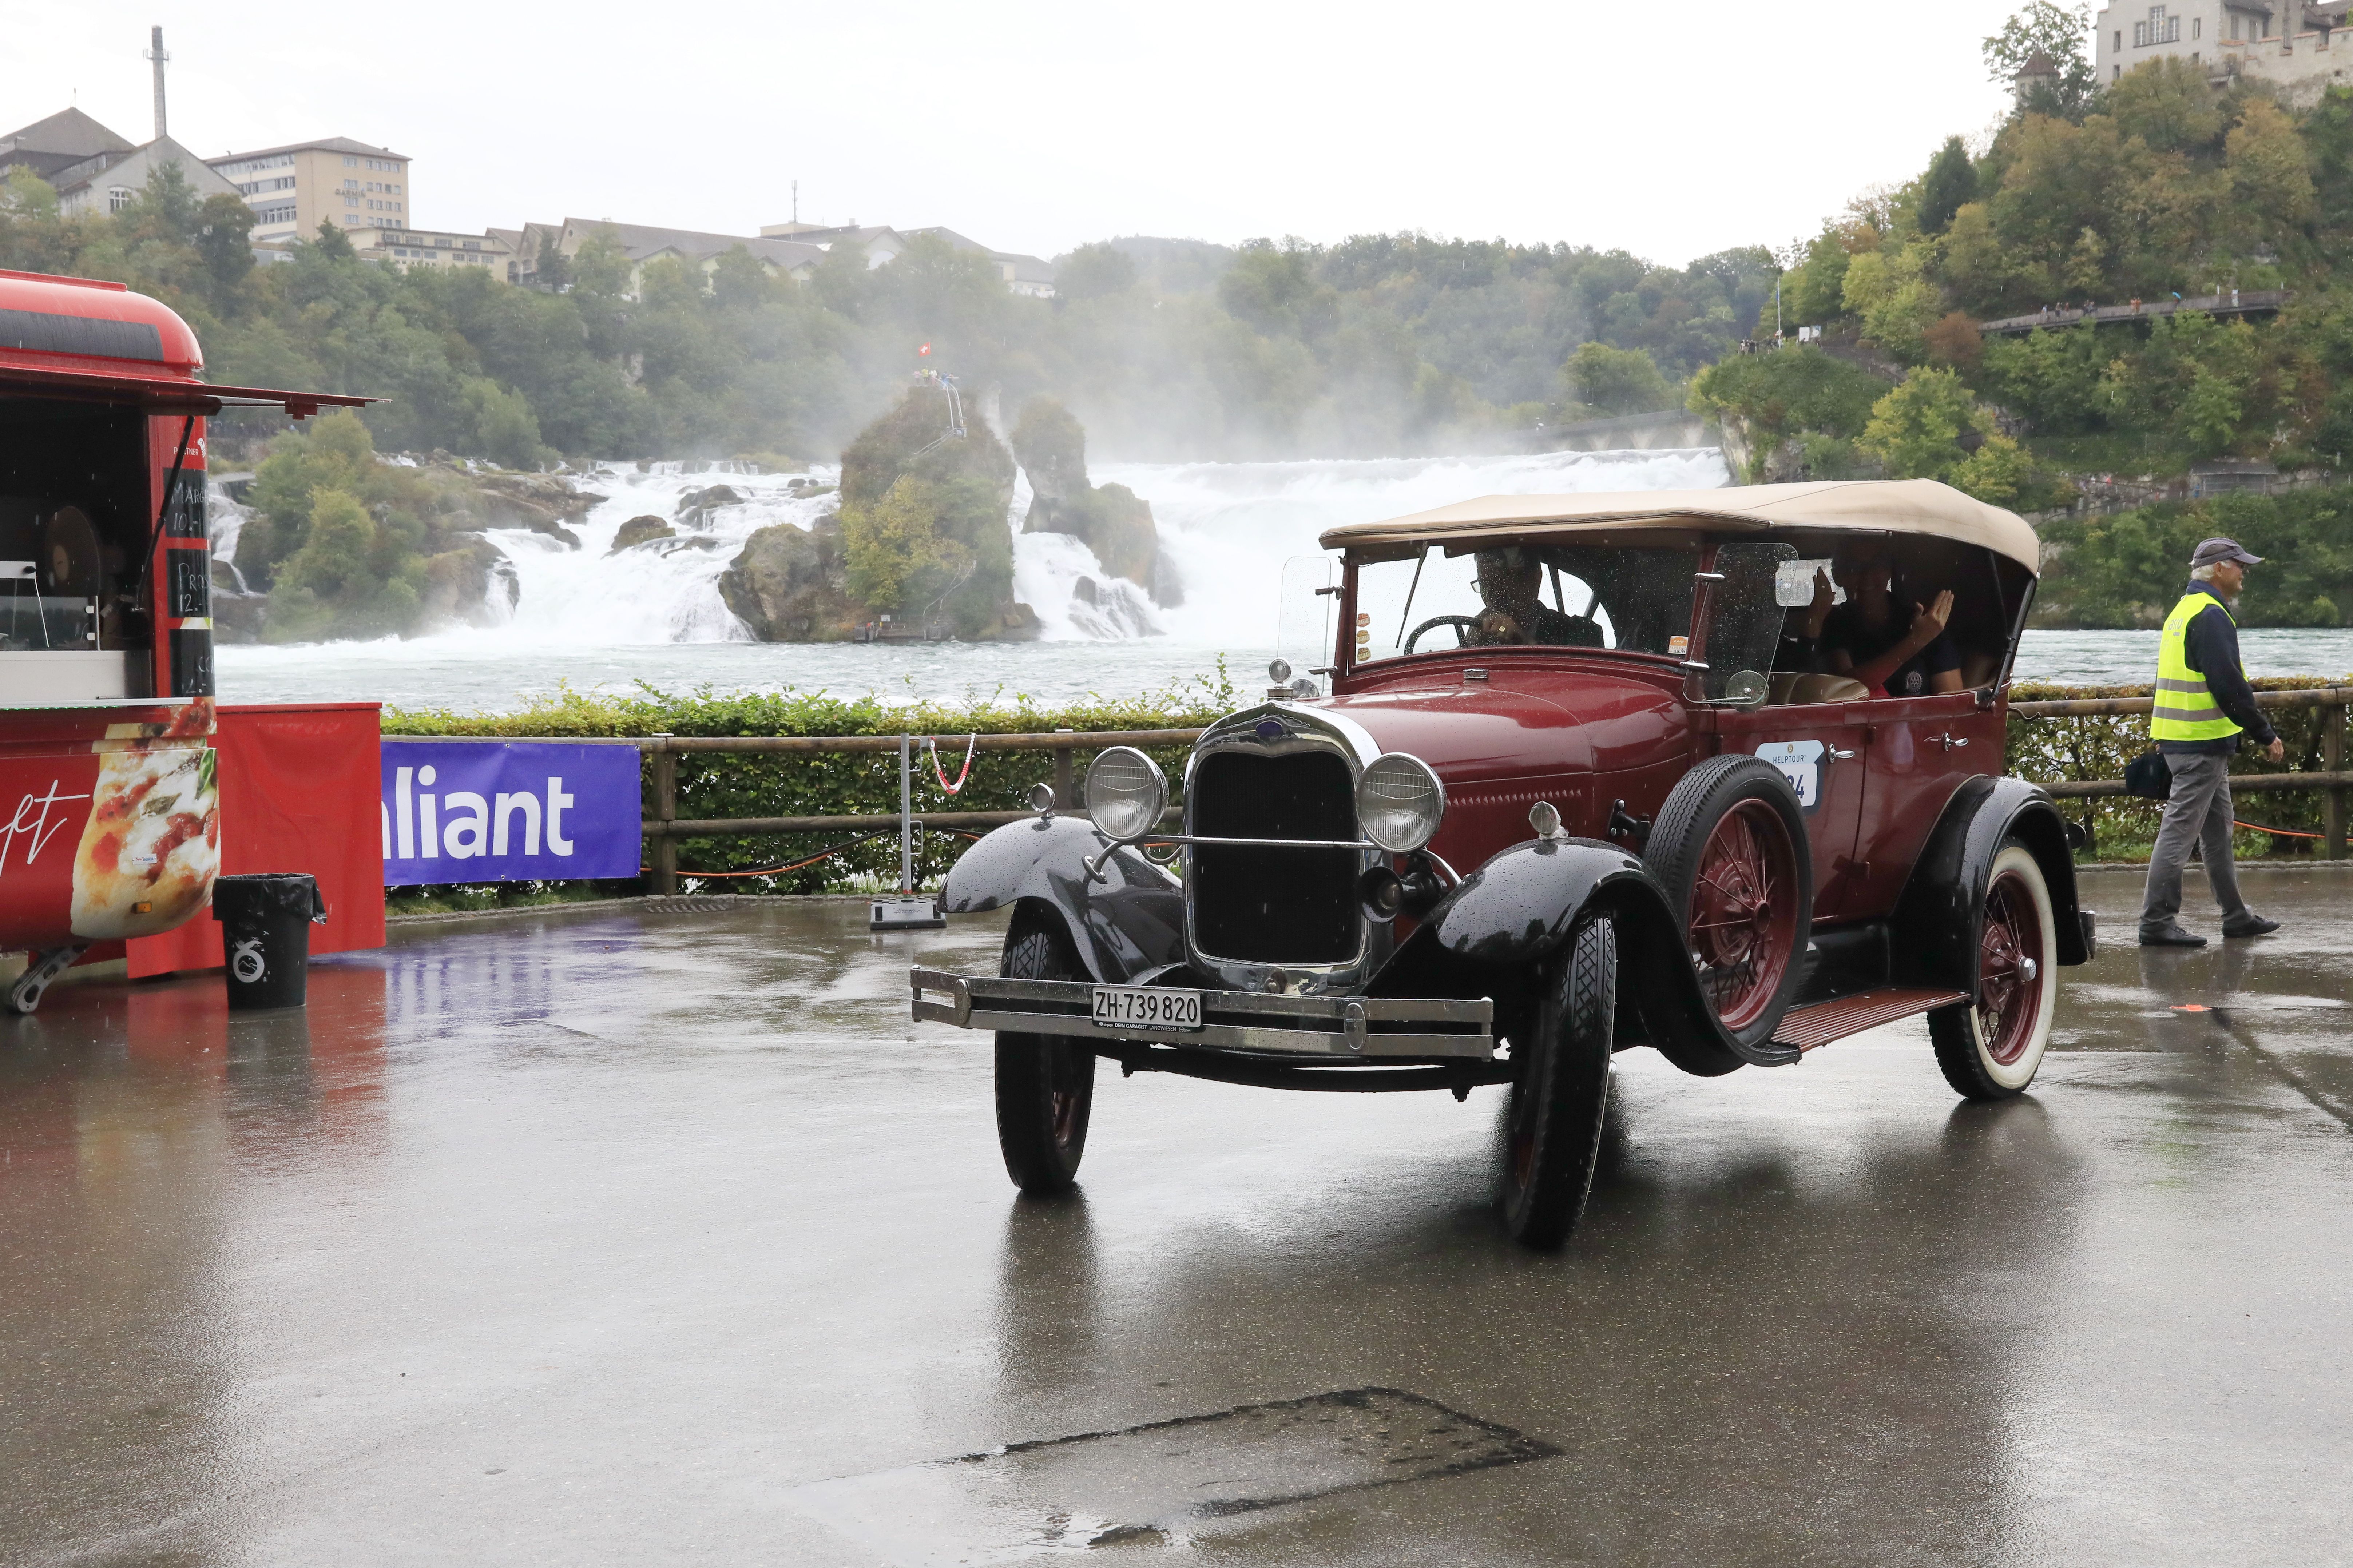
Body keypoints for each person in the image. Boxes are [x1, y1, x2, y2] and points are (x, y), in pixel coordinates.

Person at [2139, 537, 2283, 948]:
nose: (2244, 572)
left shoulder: (2183, 611)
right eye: (2240, 565)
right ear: (2219, 568)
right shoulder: (2210, 615)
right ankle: (2156, 921)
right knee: (2179, 834)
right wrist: (2264, 732)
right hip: (2198, 743)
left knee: (2217, 831)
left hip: (2188, 740)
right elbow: (2229, 686)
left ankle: (2236, 916)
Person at [1785, 548, 1963, 695]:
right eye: (1853, 567)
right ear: (1838, 576)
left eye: (1876, 565)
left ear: (1889, 572)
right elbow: (1847, 688)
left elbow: (1952, 703)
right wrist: (1916, 642)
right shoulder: (1835, 623)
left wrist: (1923, 637)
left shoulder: (1924, 621)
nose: (1867, 576)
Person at [1471, 548, 1600, 647]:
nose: (1489, 596)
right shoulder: (1479, 630)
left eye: (1497, 584)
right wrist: (1470, 646)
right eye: (1484, 585)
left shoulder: (1582, 632)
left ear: (1534, 580)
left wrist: (1524, 640)